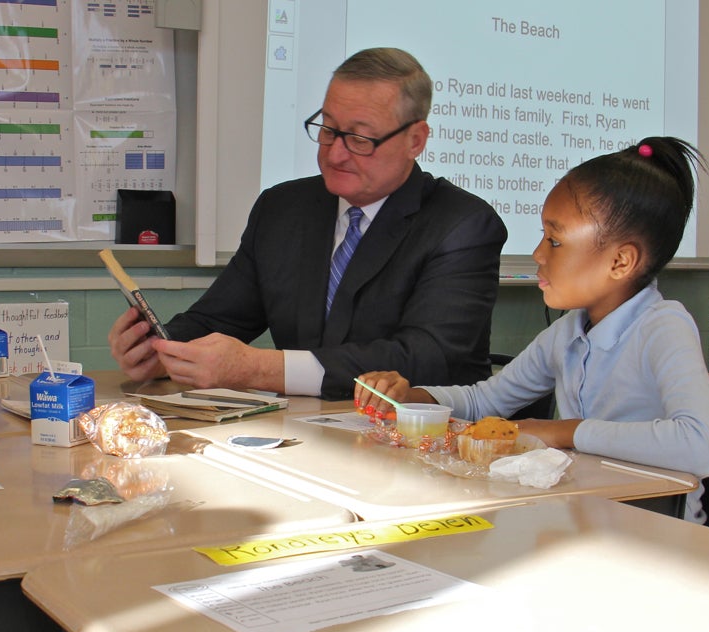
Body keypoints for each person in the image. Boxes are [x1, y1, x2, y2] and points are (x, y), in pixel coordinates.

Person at [355, 137, 709, 522]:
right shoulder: (568, 332)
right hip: (582, 520)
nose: (537, 254)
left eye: (555, 240)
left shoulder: (664, 326)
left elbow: (702, 446)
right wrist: (410, 397)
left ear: (620, 261)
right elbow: (487, 401)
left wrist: (563, 432)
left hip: (657, 537)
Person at [108, 47, 507, 400]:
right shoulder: (283, 207)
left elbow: (426, 357)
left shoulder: (463, 224)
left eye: (360, 139)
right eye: (328, 130)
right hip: (305, 435)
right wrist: (161, 349)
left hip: (422, 446)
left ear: (415, 139)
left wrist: (259, 369)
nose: (335, 155)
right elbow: (222, 317)